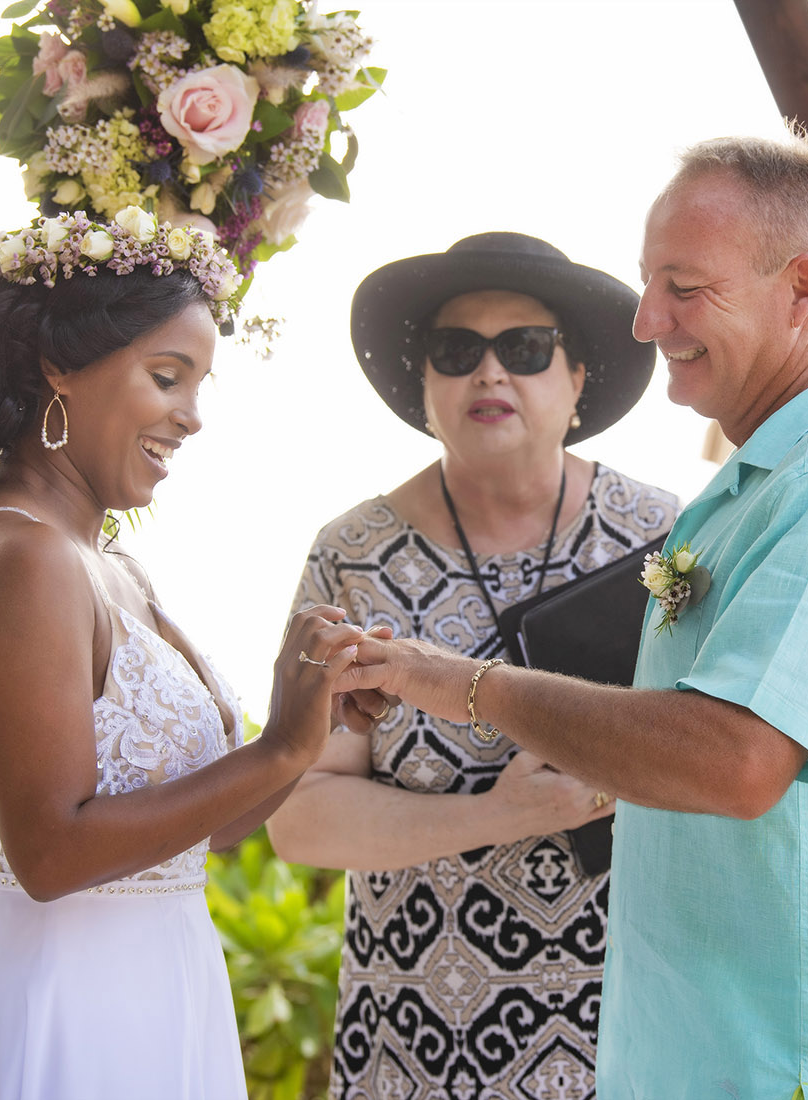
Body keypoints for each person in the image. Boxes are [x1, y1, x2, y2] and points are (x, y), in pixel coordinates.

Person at [332, 133, 808, 1100]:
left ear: (802, 289)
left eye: (683, 287)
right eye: (648, 284)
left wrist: (460, 684)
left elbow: (732, 758)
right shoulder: (756, 487)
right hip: (706, 1045)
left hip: (796, 1056)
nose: (646, 322)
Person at [0, 208, 370, 1100]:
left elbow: (205, 836)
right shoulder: (23, 555)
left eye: (198, 386)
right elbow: (50, 856)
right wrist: (281, 752)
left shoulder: (112, 566)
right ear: (58, 367)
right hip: (62, 1004)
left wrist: (309, 715)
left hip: (158, 989)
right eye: (166, 377)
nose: (190, 418)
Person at [266, 232, 678, 1098]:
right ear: (424, 388)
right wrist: (504, 814)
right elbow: (299, 819)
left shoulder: (666, 537)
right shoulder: (351, 555)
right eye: (457, 352)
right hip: (416, 1039)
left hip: (638, 1025)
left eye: (525, 350)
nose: (490, 375)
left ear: (577, 382)